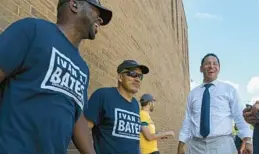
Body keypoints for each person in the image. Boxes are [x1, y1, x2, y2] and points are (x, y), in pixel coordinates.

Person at [0, 0, 112, 153]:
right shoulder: (33, 30)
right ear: (74, 5)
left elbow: (77, 118)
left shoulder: (83, 68)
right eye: (96, 12)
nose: (100, 20)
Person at [178, 53, 253, 154]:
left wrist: (247, 140)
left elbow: (239, 116)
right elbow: (188, 120)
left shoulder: (229, 90)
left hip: (223, 145)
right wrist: (181, 143)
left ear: (219, 68)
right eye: (207, 63)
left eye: (215, 63)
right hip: (196, 147)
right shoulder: (193, 94)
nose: (211, 66)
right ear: (201, 68)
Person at [84, 60, 149, 154]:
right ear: (120, 77)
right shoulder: (103, 95)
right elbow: (83, 130)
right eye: (132, 74)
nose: (137, 79)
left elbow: (134, 139)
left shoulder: (135, 104)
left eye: (140, 76)